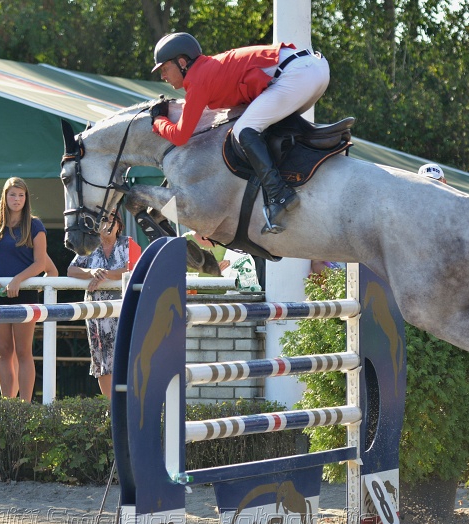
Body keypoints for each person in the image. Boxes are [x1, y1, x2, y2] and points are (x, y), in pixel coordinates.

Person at [150, 32, 330, 234]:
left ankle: (280, 194)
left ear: (182, 62)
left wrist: (158, 120)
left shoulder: (198, 78)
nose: (163, 76)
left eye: (165, 69)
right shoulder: (208, 70)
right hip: (315, 69)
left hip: (299, 74)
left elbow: (181, 136)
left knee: (243, 130)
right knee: (260, 126)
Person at [0, 177, 51, 402]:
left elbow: (41, 263)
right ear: (4, 197)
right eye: (12, 195)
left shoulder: (35, 225)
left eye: (20, 195)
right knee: (3, 352)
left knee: (23, 352)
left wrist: (18, 280)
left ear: (26, 198)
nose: (16, 199)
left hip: (25, 294)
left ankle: (26, 406)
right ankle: (9, 406)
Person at [68, 212, 138, 397]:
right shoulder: (89, 246)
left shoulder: (128, 243)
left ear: (119, 225)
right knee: (101, 357)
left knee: (126, 353)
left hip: (124, 307)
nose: (108, 224)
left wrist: (105, 275)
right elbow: (72, 270)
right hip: (96, 310)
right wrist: (92, 272)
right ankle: (110, 407)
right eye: (104, 220)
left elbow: (135, 268)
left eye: (112, 220)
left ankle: (127, 403)